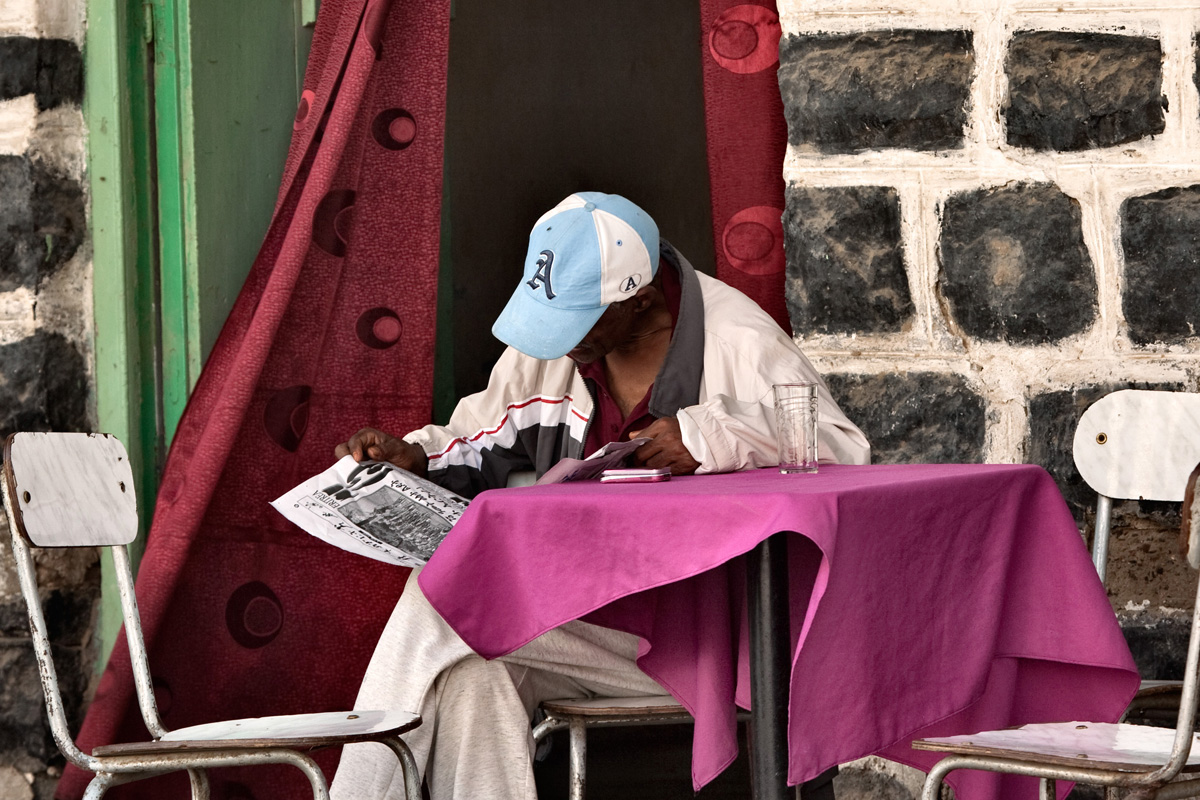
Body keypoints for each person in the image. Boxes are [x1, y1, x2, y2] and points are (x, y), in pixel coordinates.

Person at [329, 192, 870, 800]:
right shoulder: (557, 347)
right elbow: (480, 435)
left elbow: (842, 452)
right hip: (598, 622)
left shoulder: (741, 342)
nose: (559, 340)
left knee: (442, 596)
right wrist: (419, 456)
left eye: (578, 320)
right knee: (474, 679)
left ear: (641, 299)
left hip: (718, 639)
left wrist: (713, 437)